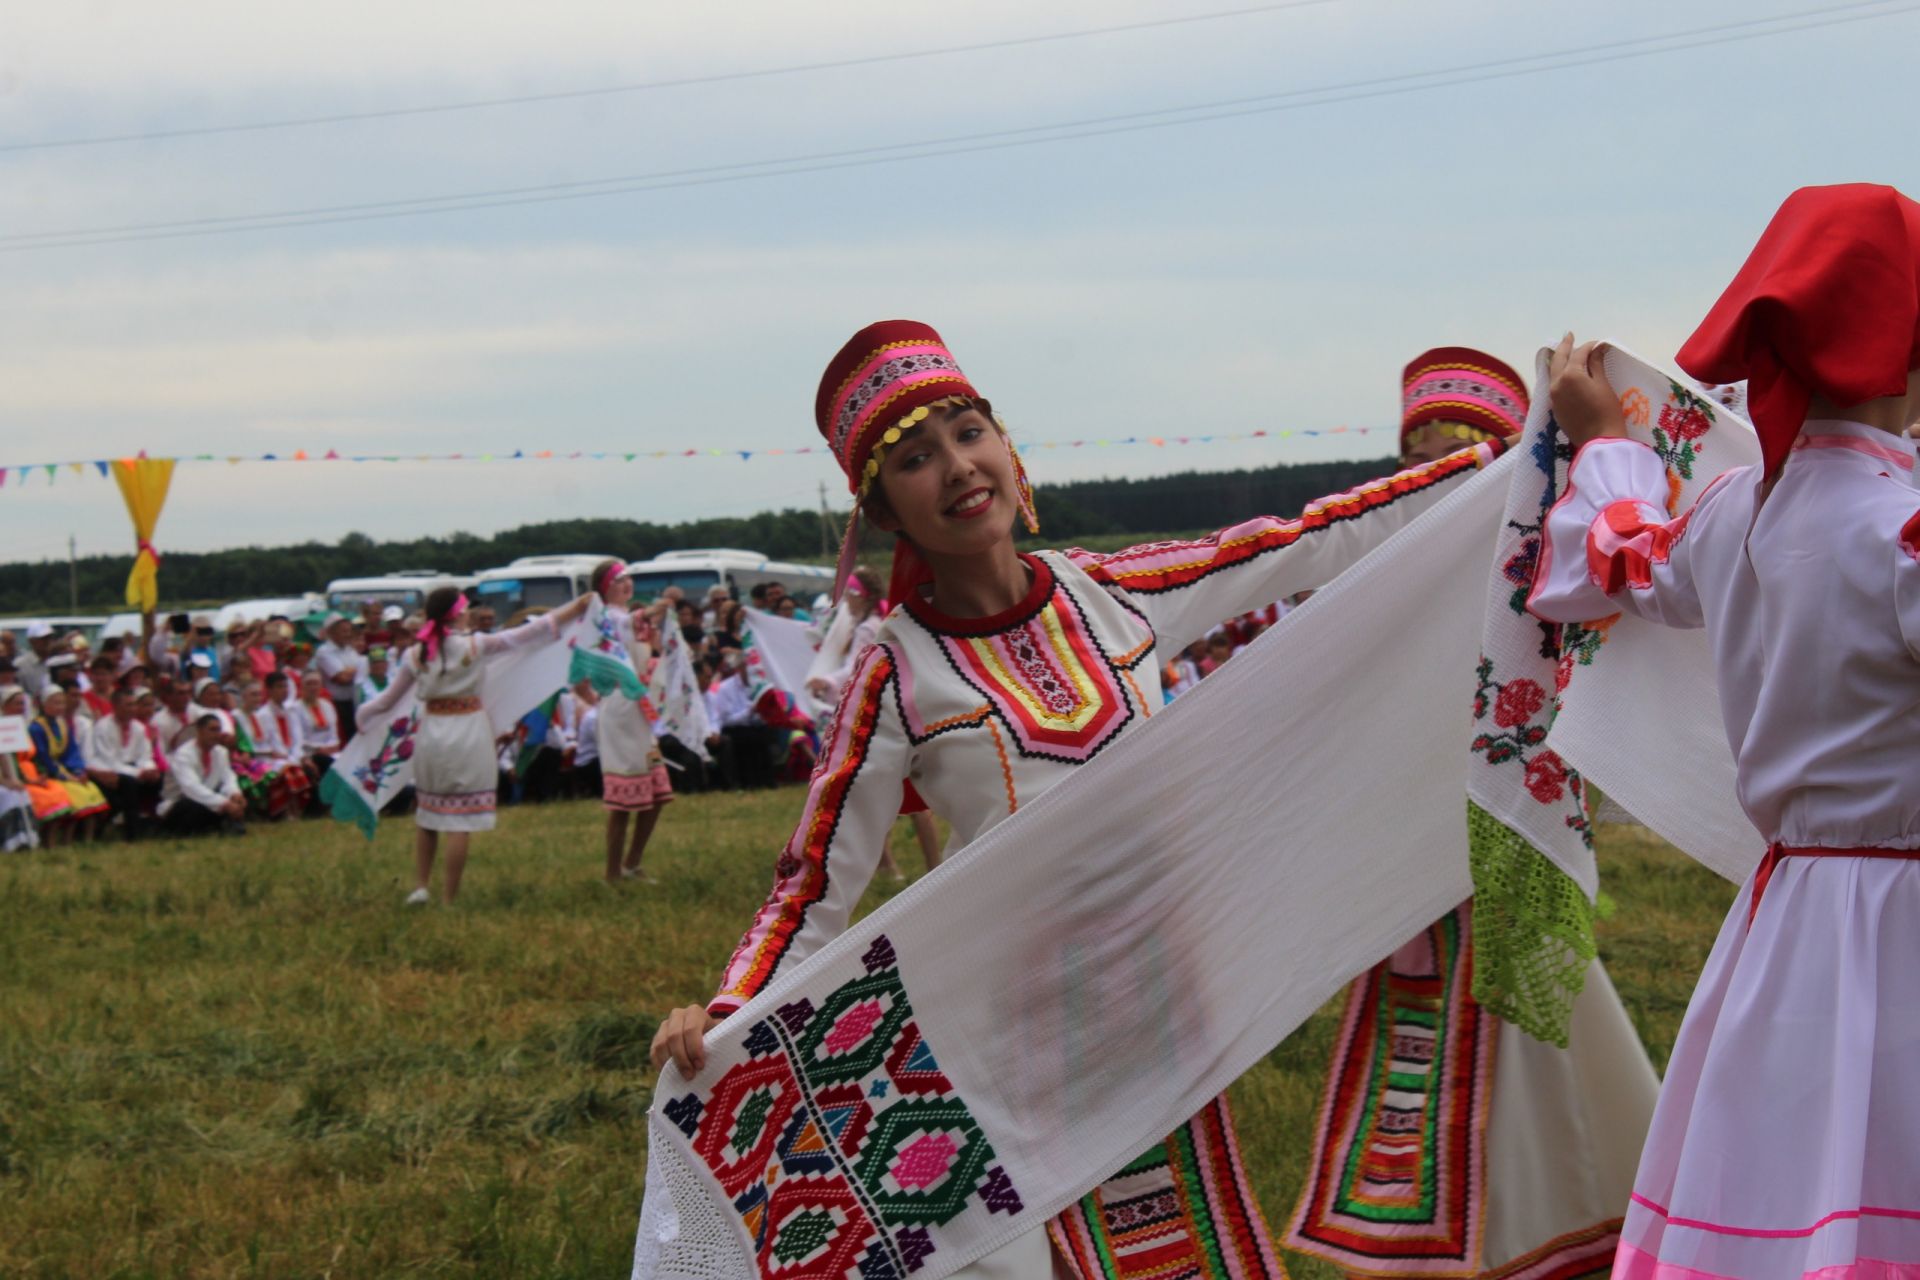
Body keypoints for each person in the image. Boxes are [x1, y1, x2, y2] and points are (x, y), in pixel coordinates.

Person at [649, 318, 1505, 1277]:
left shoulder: (1118, 592)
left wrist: (1512, 459)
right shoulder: (893, 674)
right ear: (885, 511)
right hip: (1011, 1019)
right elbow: (813, 885)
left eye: (971, 434)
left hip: (1159, 995)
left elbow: (1312, 539)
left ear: (1009, 452)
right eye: (917, 459)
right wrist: (726, 1015)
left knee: (1173, 1242)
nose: (959, 469)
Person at [1531, 184, 1920, 1280]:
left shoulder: (1738, 514)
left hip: (1790, 923)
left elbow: (1617, 554)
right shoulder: (1896, 536)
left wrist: (1605, 441)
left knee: (1791, 1186)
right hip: (1903, 920)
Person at [1285, 348, 1656, 1280]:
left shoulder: (1537, 583)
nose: (1436, 478)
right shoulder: (1380, 589)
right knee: (1461, 1043)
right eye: (1420, 459)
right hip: (1411, 870)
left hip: (1503, 844)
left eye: (1462, 457)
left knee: (1540, 1043)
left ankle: (1550, 1226)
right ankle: (1486, 1234)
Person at [356, 586, 592, 906]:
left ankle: (422, 886)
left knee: (428, 815)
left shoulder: (417, 653)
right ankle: (449, 899)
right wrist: (577, 606)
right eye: (465, 608)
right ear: (457, 613)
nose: (469, 612)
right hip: (468, 731)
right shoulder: (475, 645)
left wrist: (361, 718)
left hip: (433, 735)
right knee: (460, 821)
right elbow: (531, 632)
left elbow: (385, 702)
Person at [585, 561, 675, 884]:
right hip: (620, 709)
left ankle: (631, 863)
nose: (626, 584)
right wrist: (655, 609)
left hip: (640, 709)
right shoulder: (604, 616)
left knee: (657, 794)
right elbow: (629, 623)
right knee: (622, 803)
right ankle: (612, 873)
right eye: (617, 580)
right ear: (603, 587)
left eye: (627, 578)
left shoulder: (625, 617)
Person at [28, 687, 107, 842]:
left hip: (66, 770)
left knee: (89, 790)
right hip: (47, 771)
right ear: (44, 704)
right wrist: (66, 776)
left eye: (62, 703)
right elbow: (43, 756)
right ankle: (59, 839)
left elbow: (72, 751)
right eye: (55, 703)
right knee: (72, 794)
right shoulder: (36, 728)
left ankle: (85, 838)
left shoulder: (62, 725)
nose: (60, 707)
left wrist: (78, 772)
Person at [85, 686, 163, 841]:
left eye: (134, 704)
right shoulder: (103, 726)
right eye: (128, 705)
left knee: (157, 779)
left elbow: (145, 755)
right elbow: (109, 759)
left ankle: (152, 825)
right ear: (115, 706)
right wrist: (138, 773)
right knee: (129, 785)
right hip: (106, 769)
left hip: (128, 768)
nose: (132, 709)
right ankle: (132, 835)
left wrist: (149, 769)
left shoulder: (138, 728)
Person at [234, 680, 312, 819]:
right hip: (251, 758)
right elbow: (242, 744)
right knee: (286, 770)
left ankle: (293, 809)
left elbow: (269, 740)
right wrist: (269, 753)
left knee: (292, 768)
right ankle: (282, 811)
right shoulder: (236, 716)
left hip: (268, 757)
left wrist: (275, 754)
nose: (257, 698)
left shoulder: (258, 716)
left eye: (258, 695)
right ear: (243, 697)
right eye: (253, 695)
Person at [158, 714, 247, 836]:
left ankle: (224, 824)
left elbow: (228, 777)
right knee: (193, 805)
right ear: (199, 731)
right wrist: (224, 804)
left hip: (206, 799)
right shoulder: (183, 754)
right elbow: (191, 787)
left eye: (218, 730)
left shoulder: (220, 752)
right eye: (212, 730)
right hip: (180, 801)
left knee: (229, 798)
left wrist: (234, 793)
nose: (216, 734)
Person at [314, 616, 364, 731]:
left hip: (353, 702)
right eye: (344, 631)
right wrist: (357, 669)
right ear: (332, 632)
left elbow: (360, 670)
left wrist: (350, 670)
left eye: (349, 631)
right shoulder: (324, 651)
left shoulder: (349, 649)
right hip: (337, 704)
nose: (348, 634)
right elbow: (342, 679)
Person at [294, 671, 343, 773]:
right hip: (308, 753)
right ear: (302, 686)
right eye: (309, 683)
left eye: (316, 683)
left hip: (329, 751)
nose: (313, 687)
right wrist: (317, 749)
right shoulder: (295, 708)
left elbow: (334, 734)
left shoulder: (327, 705)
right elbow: (297, 738)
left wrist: (331, 747)